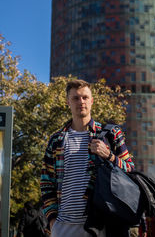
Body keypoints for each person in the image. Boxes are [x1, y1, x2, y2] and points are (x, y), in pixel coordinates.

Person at [40, 79, 135, 237]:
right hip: (63, 227)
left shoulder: (110, 135)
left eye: (85, 97)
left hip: (101, 224)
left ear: (91, 101)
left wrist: (109, 155)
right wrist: (53, 221)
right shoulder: (56, 140)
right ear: (68, 102)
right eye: (75, 98)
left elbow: (130, 170)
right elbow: (46, 183)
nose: (81, 102)